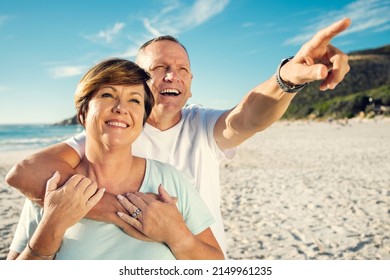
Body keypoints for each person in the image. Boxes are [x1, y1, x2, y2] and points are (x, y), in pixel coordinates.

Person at [6, 18, 352, 256]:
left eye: (182, 70)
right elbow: (26, 172)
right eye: (158, 69)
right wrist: (127, 213)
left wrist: (286, 79)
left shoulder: (201, 126)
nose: (172, 75)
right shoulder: (112, 132)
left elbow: (247, 116)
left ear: (189, 85)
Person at [7, 58, 223, 260]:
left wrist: (178, 236)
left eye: (135, 100)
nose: (121, 108)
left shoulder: (169, 181)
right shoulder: (53, 187)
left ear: (142, 120)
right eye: (108, 95)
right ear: (82, 112)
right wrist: (51, 226)